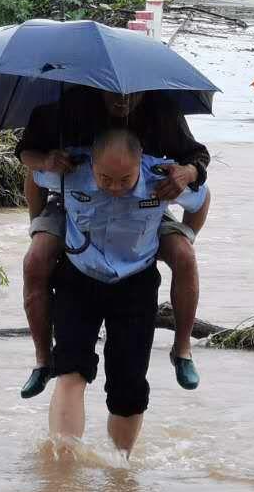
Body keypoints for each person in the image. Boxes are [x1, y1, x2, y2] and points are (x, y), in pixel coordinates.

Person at [17, 87, 211, 399]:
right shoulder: (66, 104)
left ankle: (183, 348)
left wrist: (185, 183)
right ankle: (43, 359)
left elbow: (199, 167)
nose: (123, 101)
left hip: (142, 208)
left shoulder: (161, 109)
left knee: (185, 257)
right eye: (114, 94)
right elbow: (28, 160)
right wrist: (40, 217)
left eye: (133, 95)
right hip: (74, 200)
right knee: (36, 259)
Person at [34, 128, 210, 456]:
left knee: (128, 387)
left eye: (124, 180)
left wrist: (185, 235)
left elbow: (201, 198)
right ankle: (63, 468)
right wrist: (39, 224)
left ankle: (121, 470)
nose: (115, 188)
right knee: (71, 369)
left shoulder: (161, 177)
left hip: (135, 283)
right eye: (105, 178)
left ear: (141, 163)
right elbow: (33, 175)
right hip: (79, 276)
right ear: (92, 165)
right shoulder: (71, 172)